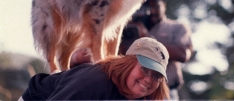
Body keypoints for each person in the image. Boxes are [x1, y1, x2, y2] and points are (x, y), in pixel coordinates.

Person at [19, 37, 170, 100]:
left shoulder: (141, 96)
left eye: (157, 76)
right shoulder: (94, 83)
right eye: (144, 69)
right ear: (128, 63)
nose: (149, 79)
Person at [141, 0, 193, 100]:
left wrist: (148, 41)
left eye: (155, 6)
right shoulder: (132, 29)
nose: (152, 11)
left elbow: (183, 54)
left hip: (165, 92)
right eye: (146, 7)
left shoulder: (177, 27)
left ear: (164, 4)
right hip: (137, 92)